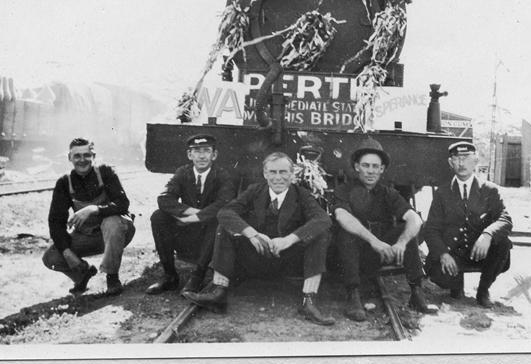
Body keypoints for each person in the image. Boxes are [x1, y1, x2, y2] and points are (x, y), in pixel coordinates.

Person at [183, 152, 335, 326]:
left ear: (292, 174)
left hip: (288, 259)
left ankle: (309, 301)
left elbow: (323, 219)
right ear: (265, 174)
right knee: (225, 227)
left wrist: (288, 240)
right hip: (256, 257)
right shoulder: (255, 190)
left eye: (283, 172)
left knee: (321, 233)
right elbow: (225, 212)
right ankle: (219, 292)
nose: (278, 177)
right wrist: (252, 233)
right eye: (273, 172)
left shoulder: (301, 195)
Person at [333, 137, 436, 322]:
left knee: (408, 230)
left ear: (381, 169)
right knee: (345, 233)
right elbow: (342, 216)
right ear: (357, 167)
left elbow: (414, 218)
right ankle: (353, 296)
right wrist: (375, 241)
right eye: (365, 165)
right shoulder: (344, 190)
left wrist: (401, 243)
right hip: (353, 256)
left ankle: (416, 292)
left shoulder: (388, 193)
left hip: (380, 255)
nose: (370, 171)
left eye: (375, 166)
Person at [422, 141, 513, 308]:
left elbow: (505, 219)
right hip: (453, 254)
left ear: (476, 161)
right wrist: (443, 254)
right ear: (451, 163)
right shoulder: (442, 193)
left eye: (466, 158)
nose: (461, 163)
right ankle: (455, 286)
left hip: (478, 253)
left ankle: (483, 290)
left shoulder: (489, 190)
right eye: (456, 159)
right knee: (440, 275)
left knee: (504, 244)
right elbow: (431, 229)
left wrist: (488, 235)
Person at [43, 137, 135, 296]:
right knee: (51, 257)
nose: (82, 160)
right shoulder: (64, 183)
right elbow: (56, 222)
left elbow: (122, 204)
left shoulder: (105, 172)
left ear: (94, 156)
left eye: (87, 155)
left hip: (119, 232)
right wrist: (67, 253)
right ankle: (81, 275)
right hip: (89, 236)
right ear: (69, 158)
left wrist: (94, 209)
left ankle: (112, 277)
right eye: (77, 156)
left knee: (111, 222)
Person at [146, 134, 235, 295]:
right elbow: (164, 198)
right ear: (189, 155)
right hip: (186, 229)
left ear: (214, 155)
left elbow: (224, 203)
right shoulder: (183, 172)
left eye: (206, 151)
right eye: (196, 151)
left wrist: (197, 217)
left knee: (218, 220)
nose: (201, 156)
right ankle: (169, 276)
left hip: (209, 232)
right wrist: (187, 213)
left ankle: (197, 276)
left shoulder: (222, 175)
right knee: (158, 216)